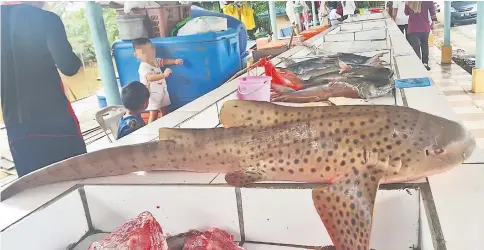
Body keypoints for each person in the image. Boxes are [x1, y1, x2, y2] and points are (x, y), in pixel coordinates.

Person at [1, 1, 87, 177]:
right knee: (75, 181)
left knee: (35, 188)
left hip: (16, 127)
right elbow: (68, 66)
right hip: (55, 122)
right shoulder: (46, 20)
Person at [133, 38, 184, 123]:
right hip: (152, 93)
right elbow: (149, 78)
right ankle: (150, 128)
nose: (148, 54)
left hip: (161, 90)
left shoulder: (155, 61)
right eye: (144, 52)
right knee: (154, 112)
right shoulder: (143, 67)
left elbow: (164, 61)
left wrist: (175, 61)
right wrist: (163, 75)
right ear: (137, 55)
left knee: (164, 109)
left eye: (150, 51)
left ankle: (166, 123)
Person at [405, 1, 437, 71]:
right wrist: (433, 23)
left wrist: (407, 4)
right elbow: (433, 11)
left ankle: (418, 64)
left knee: (416, 47)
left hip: (413, 28)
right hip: (424, 27)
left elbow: (406, 13)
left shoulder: (409, 2)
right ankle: (425, 63)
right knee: (424, 45)